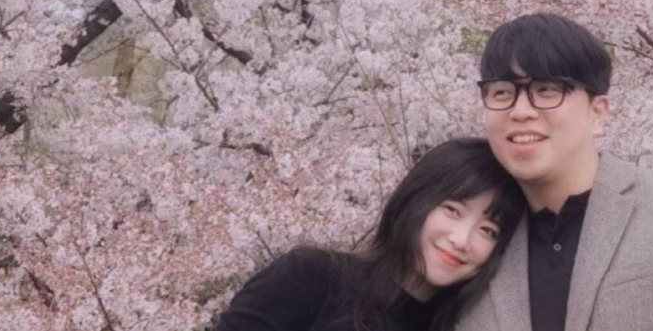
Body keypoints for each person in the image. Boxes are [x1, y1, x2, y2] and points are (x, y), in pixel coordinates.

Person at [457, 13, 653, 331]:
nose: (520, 111)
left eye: (547, 90)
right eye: (501, 92)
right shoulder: (460, 237)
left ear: (598, 112)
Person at [215, 137, 525, 331]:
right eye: (452, 210)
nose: (461, 239)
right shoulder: (309, 277)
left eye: (488, 230)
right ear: (415, 200)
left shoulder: (466, 325)